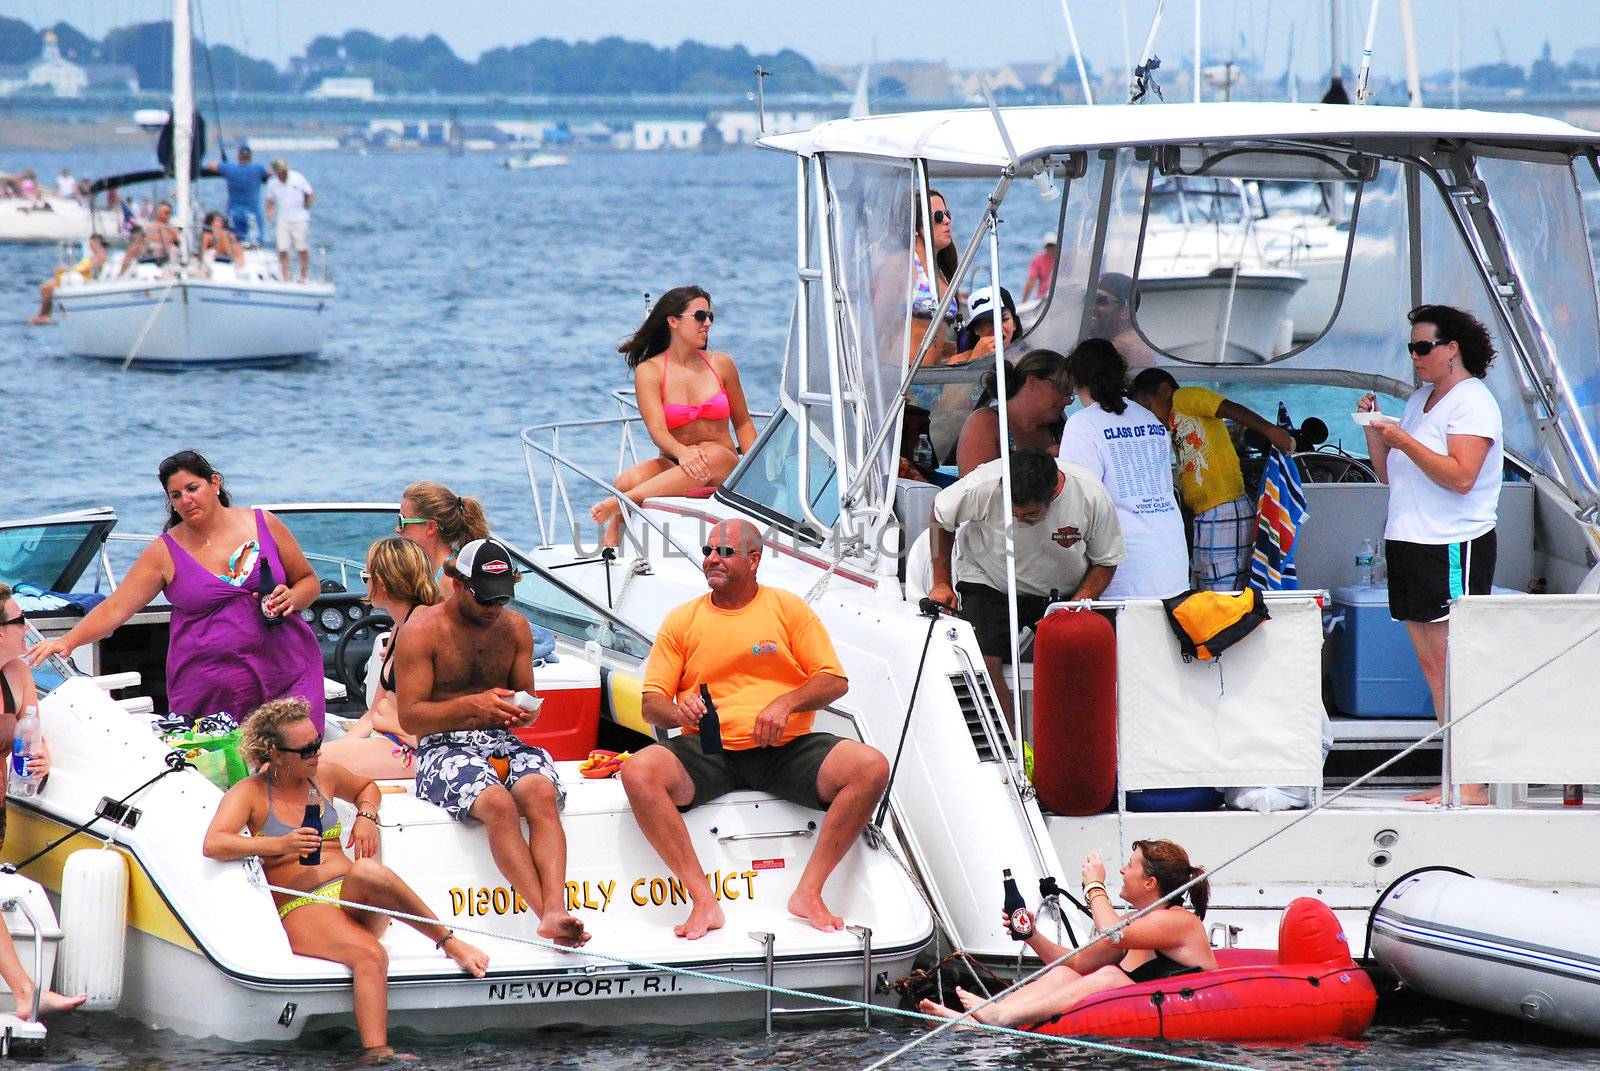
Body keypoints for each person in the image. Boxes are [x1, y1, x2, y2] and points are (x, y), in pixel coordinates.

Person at [620, 519, 889, 939]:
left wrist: (786, 703)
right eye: (708, 551)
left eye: (725, 552)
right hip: (709, 750)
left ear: (754, 559)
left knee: (869, 766)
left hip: (786, 749)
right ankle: (704, 902)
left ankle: (809, 892)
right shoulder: (682, 620)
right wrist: (680, 710)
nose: (712, 559)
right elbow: (651, 704)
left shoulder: (787, 609)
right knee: (638, 770)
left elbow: (834, 680)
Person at [202, 697, 488, 1062]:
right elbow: (214, 843)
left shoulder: (325, 775)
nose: (316, 753)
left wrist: (366, 816)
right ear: (275, 752)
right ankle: (377, 1053)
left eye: (318, 742)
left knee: (369, 869)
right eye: (305, 749)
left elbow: (367, 787)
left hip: (351, 897)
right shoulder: (250, 793)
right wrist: (278, 844)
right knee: (370, 955)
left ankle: (448, 941)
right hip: (302, 904)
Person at [27, 451, 327, 731]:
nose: (185, 500)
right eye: (176, 495)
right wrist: (68, 641)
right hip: (213, 687)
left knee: (297, 756)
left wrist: (293, 597)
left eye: (192, 488)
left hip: (287, 670)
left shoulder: (263, 523)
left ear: (215, 483)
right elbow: (116, 608)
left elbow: (307, 581)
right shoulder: (165, 551)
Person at [394, 538, 589, 947]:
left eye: (501, 600)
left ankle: (556, 908)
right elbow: (411, 718)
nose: (493, 609)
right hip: (440, 746)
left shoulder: (514, 628)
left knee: (540, 791)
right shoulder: (422, 631)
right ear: (460, 584)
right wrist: (472, 706)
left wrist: (526, 712)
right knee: (498, 803)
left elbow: (526, 700)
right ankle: (547, 915)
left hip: (499, 738)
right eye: (485, 600)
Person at [1361, 305, 1502, 806]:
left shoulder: (1472, 402)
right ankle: (1456, 771)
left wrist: (1401, 438)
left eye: (1423, 348)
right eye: (1412, 348)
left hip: (1450, 543)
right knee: (1430, 660)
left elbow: (1461, 477)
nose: (1416, 357)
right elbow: (1389, 474)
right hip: (1409, 540)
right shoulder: (1422, 400)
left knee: (1453, 659)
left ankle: (1473, 779)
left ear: (1451, 350)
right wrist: (1377, 434)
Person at [919, 840, 1215, 1028]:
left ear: (1150, 883)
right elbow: (1075, 963)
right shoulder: (1134, 923)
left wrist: (1094, 885)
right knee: (1068, 976)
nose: (1122, 870)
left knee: (1110, 976)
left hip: (1192, 1013)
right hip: (1145, 1009)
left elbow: (1111, 932)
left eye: (1130, 865)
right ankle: (983, 1017)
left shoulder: (1180, 921)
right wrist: (1032, 935)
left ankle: (1002, 1018)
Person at [929, 448, 1124, 717]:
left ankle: (1068, 737)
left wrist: (1081, 600)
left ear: (1054, 492)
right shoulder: (982, 485)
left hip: (1063, 593)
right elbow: (940, 517)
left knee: (1085, 661)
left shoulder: (1090, 495)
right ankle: (1011, 750)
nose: (1019, 520)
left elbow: (1106, 560)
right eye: (1013, 514)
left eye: (1030, 515)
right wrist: (941, 582)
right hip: (990, 580)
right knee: (981, 660)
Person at [589, 287, 756, 547]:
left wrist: (755, 471)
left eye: (710, 316)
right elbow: (657, 431)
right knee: (625, 481)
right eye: (700, 316)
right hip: (676, 460)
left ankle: (621, 503)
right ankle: (613, 543)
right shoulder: (650, 370)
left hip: (721, 460)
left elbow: (743, 422)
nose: (708, 323)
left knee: (709, 457)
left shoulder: (721, 364)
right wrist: (683, 452)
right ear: (673, 321)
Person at [0, 584, 86, 1021]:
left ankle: (26, 991)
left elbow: (32, 731)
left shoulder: (17, 673)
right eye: (18, 622)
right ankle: (26, 992)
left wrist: (43, 755)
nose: (26, 630)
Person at [1129, 368, 1295, 590]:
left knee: (1223, 589)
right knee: (1204, 587)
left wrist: (1270, 431)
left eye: (1148, 407)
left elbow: (1229, 408)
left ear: (1165, 391)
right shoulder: (1171, 422)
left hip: (1224, 508)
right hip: (1206, 514)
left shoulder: (1184, 398)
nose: (1149, 415)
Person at [1058, 339, 1189, 599]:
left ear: (1075, 379)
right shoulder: (1150, 419)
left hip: (1123, 571)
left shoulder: (1083, 424)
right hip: (1171, 560)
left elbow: (1077, 503)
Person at [322, 538, 440, 781]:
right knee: (295, 760)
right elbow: (374, 710)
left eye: (367, 576)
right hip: (384, 735)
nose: (365, 583)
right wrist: (348, 744)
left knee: (288, 768)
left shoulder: (427, 631)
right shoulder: (400, 627)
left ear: (383, 584)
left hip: (408, 749)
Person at [953, 348, 1072, 476]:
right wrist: (1041, 464)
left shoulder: (1058, 424)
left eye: (1071, 392)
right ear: (1032, 381)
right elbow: (973, 490)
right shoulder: (986, 422)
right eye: (1062, 388)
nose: (1068, 400)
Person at [396, 481, 491, 581]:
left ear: (430, 527)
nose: (397, 529)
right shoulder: (433, 570)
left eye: (401, 521)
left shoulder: (450, 582)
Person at [29, 234, 106, 325]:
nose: (90, 247)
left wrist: (68, 270)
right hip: (75, 276)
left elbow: (88, 269)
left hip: (80, 279)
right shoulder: (93, 256)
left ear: (98, 244)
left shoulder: (100, 256)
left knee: (46, 288)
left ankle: (44, 315)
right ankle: (44, 315)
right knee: (45, 287)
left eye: (92, 245)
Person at [264, 157, 315, 283]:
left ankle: (304, 275)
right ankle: (285, 276)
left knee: (301, 247)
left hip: (300, 218)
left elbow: (309, 192)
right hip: (284, 218)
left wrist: (308, 203)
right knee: (282, 248)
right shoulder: (273, 183)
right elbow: (270, 200)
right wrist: (269, 211)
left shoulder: (297, 177)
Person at [1090, 272, 1153, 367]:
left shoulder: (1118, 348)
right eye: (1088, 299)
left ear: (1126, 311)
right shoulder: (1134, 342)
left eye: (1100, 300)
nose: (1091, 306)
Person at [209, 143, 267, 245]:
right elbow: (268, 174)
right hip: (252, 213)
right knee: (256, 240)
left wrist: (223, 164)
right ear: (250, 157)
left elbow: (212, 165)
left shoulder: (229, 168)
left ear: (238, 156)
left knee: (234, 239)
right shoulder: (258, 169)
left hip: (234, 211)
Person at [953, 285, 1024, 367]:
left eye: (1003, 319)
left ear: (1014, 324)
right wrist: (976, 360)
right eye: (989, 322)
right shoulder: (957, 361)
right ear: (976, 329)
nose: (998, 328)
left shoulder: (1027, 359)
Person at [116, 202, 180, 276]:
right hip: (150, 263)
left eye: (170, 213)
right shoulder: (147, 228)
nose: (168, 215)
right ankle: (121, 274)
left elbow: (181, 246)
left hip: (169, 264)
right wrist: (121, 274)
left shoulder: (173, 230)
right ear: (158, 213)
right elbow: (133, 250)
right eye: (166, 213)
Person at [1023, 233, 1059, 303]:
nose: (1051, 249)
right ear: (1045, 247)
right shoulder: (1038, 260)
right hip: (1042, 299)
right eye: (1049, 246)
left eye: (1053, 246)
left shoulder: (1063, 259)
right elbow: (1031, 282)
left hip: (1058, 297)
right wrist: (1023, 302)